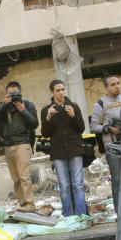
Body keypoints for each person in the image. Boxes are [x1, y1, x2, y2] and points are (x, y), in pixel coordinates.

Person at [40, 80, 87, 217]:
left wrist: (73, 116)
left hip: (74, 149)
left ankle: (82, 215)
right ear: (52, 92)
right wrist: (48, 116)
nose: (61, 93)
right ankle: (69, 216)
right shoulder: (46, 110)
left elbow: (81, 128)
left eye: (62, 90)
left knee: (78, 185)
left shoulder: (73, 106)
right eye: (58, 90)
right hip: (58, 151)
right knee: (64, 187)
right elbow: (45, 133)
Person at [0, 81, 39, 212]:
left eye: (15, 94)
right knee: (16, 178)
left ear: (20, 93)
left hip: (23, 142)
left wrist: (23, 111)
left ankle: (30, 203)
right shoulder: (4, 106)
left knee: (25, 176)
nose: (13, 96)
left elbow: (34, 123)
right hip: (8, 144)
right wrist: (4, 105)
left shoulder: (28, 105)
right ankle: (23, 203)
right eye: (10, 94)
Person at [89, 75, 121, 210]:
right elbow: (93, 126)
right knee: (117, 180)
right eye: (113, 84)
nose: (117, 86)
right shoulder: (101, 104)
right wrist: (109, 129)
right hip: (113, 147)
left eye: (118, 83)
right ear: (106, 88)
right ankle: (120, 210)